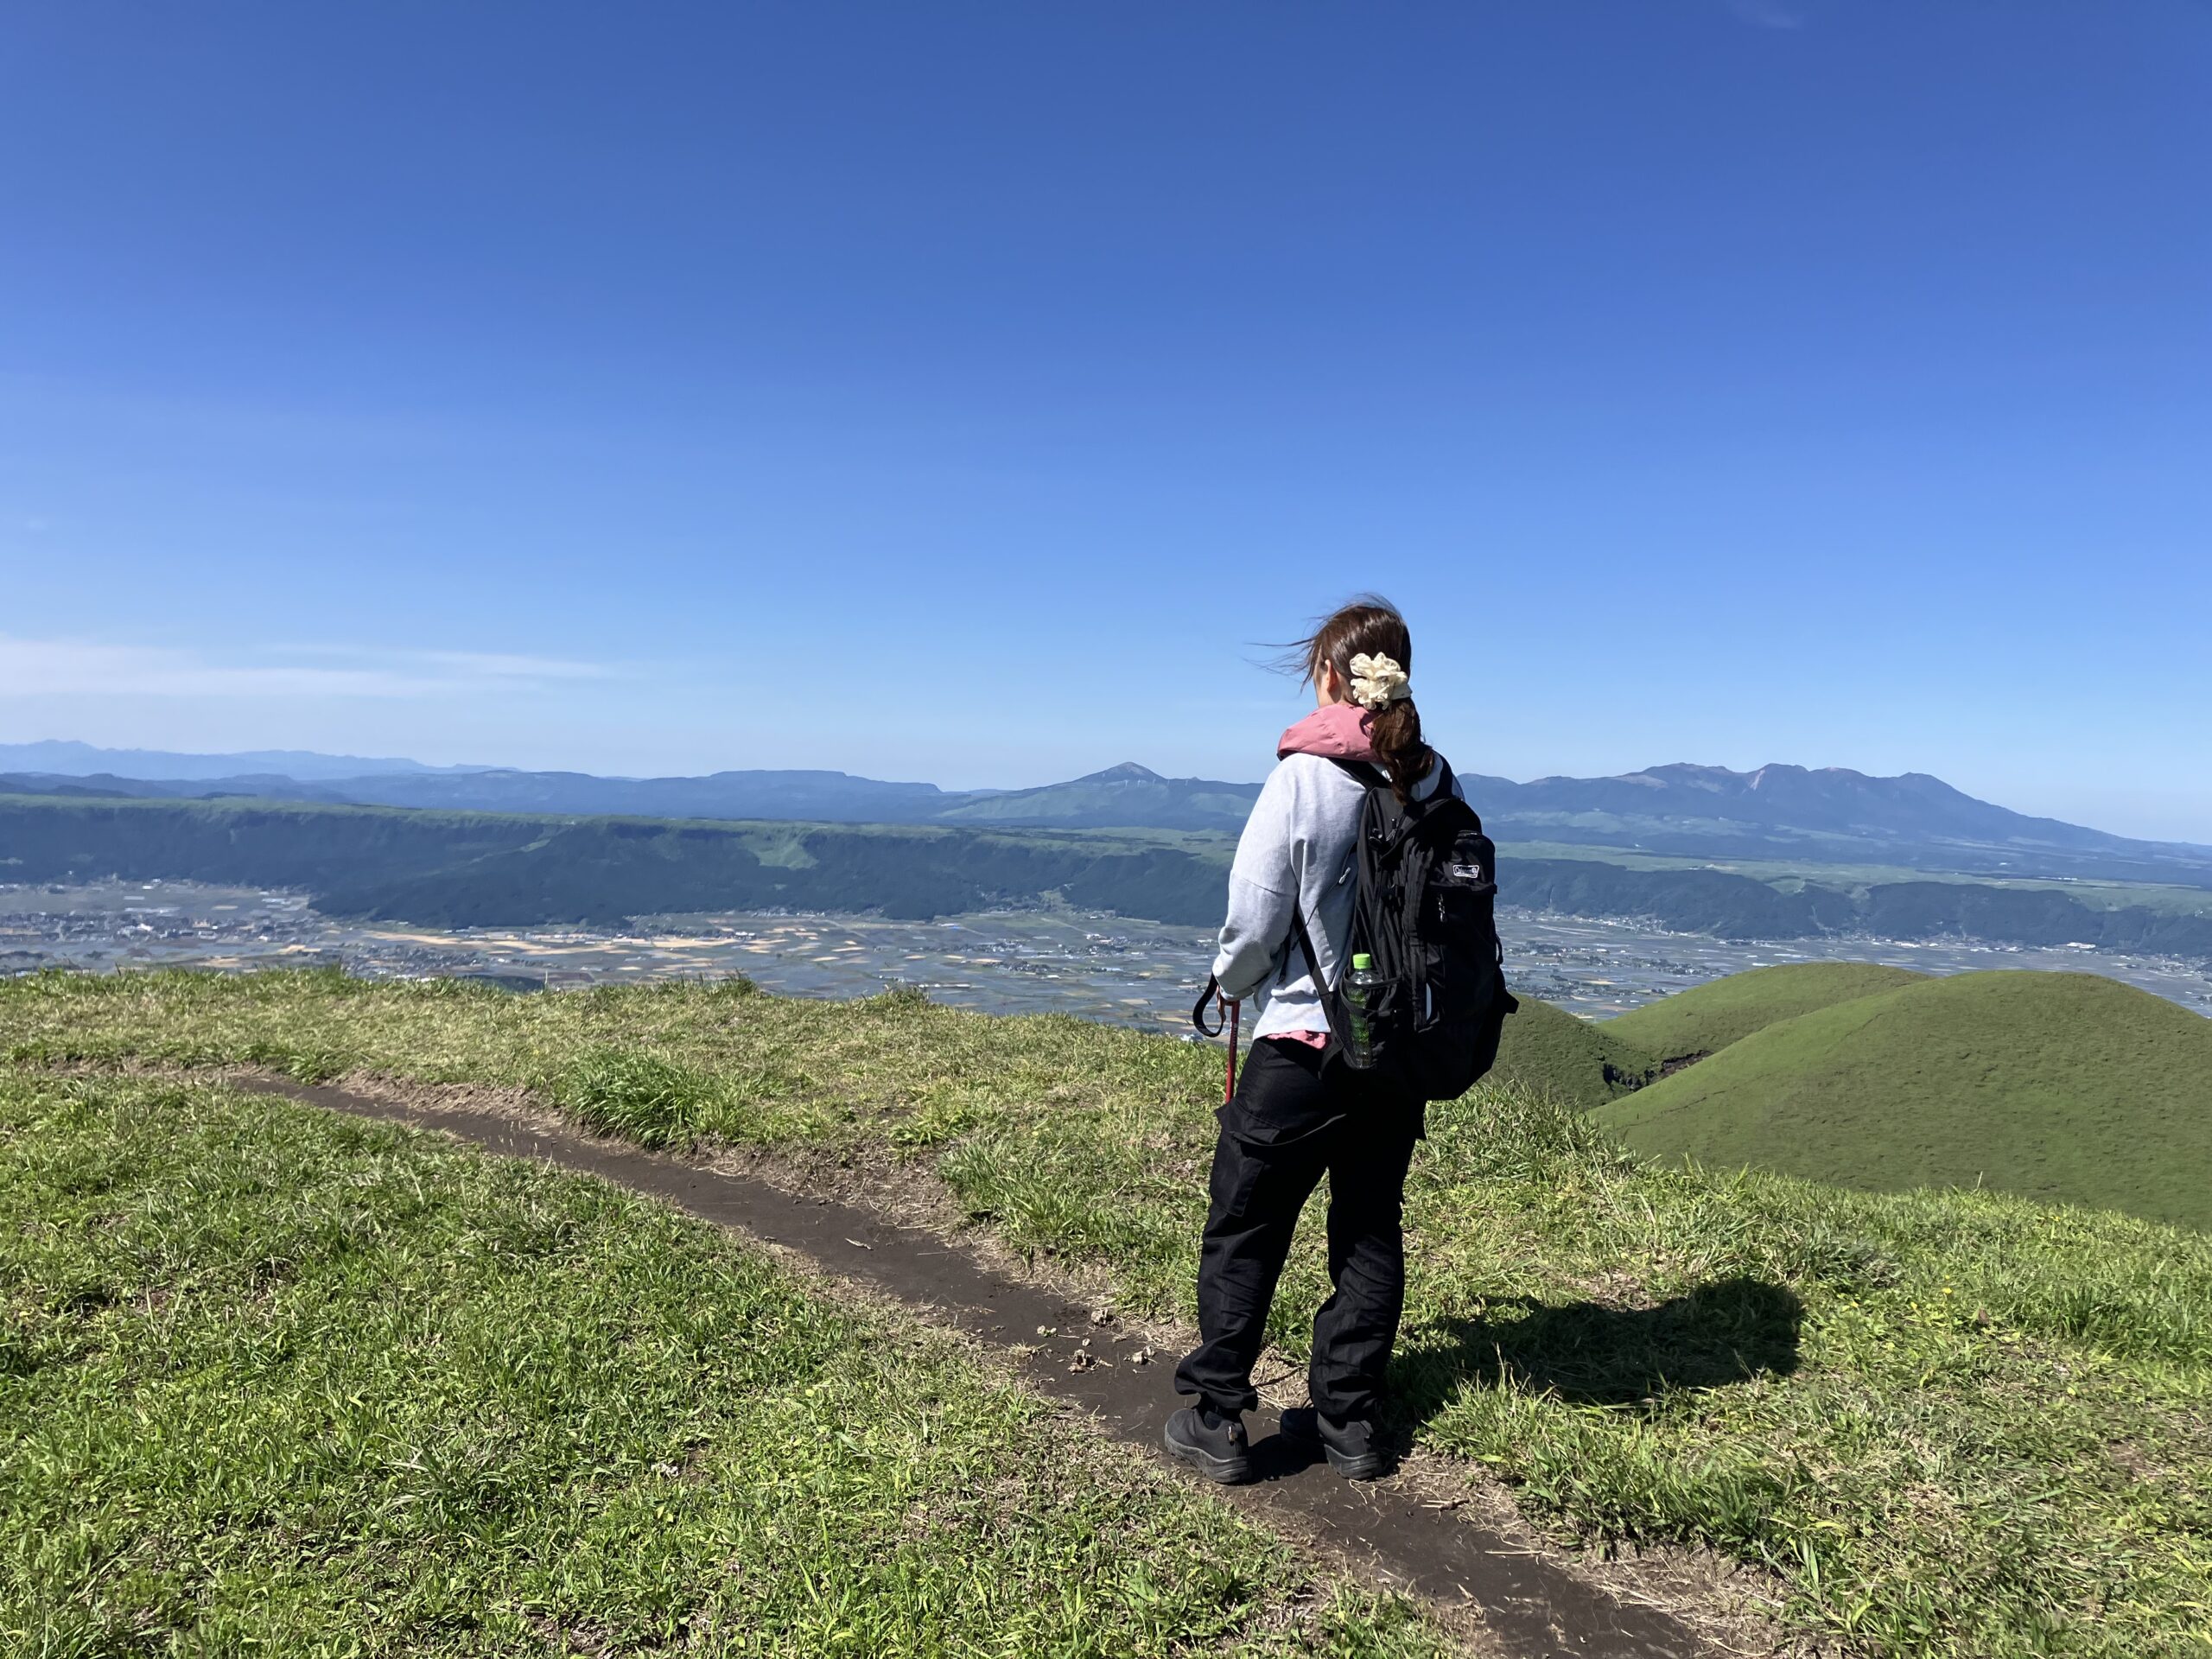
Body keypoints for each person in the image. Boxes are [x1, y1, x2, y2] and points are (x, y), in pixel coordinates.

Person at [1165, 595, 1459, 1485]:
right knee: (1368, 1229)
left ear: (1331, 677)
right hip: (1395, 1052)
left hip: (1301, 1043)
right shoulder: (1436, 782)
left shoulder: (1303, 778)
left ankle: (1217, 1415)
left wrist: (1230, 984)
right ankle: (1352, 1422)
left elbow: (1255, 923)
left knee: (1246, 1222)